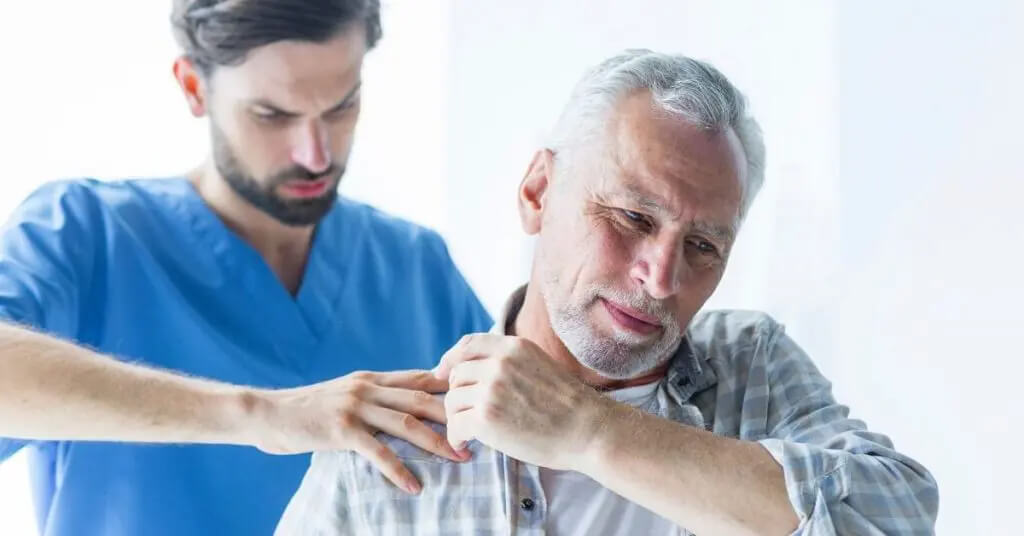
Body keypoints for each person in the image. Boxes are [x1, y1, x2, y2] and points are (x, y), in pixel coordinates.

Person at [277, 50, 939, 535]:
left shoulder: (752, 368)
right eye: (632, 218)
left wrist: (587, 430)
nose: (661, 278)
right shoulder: (385, 451)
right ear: (538, 192)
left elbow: (895, 517)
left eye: (703, 247)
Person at [0, 1, 491, 535]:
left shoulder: (415, 267)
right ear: (194, 87)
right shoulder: (84, 234)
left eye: (340, 107)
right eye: (272, 116)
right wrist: (264, 416)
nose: (316, 154)